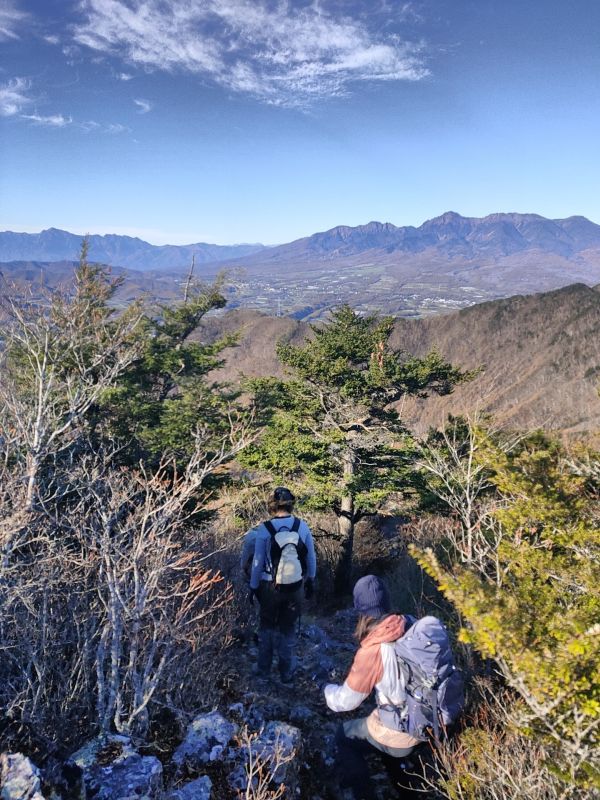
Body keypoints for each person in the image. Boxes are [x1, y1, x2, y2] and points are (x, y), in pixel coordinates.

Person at [322, 575, 453, 800]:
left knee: (345, 736)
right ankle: (407, 787)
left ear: (360, 610)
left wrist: (326, 690)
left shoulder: (373, 651)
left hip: (402, 732)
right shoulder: (415, 624)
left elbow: (345, 702)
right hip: (435, 722)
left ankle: (363, 794)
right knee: (389, 745)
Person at [248, 487, 316, 683]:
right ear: (291, 504)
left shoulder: (264, 529)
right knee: (288, 628)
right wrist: (310, 579)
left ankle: (263, 671)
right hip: (295, 587)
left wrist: (253, 587)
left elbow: (257, 562)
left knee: (267, 627)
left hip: (269, 587)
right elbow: (310, 556)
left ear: (272, 505)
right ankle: (286, 673)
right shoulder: (301, 526)